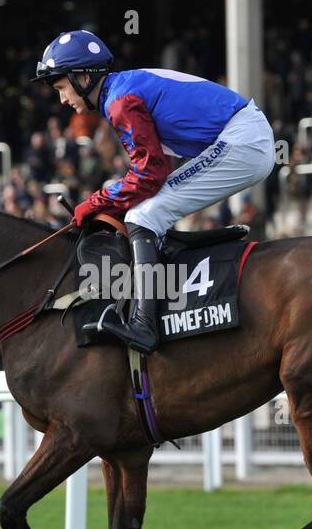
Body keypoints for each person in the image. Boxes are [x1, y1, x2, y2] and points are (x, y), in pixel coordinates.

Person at [33, 29, 276, 352]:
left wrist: (95, 202)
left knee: (145, 213)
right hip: (242, 137)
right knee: (145, 211)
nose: (62, 99)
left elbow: (150, 174)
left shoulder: (120, 101)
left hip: (243, 142)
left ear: (83, 77)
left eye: (62, 88)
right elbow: (151, 172)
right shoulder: (120, 89)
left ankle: (144, 327)